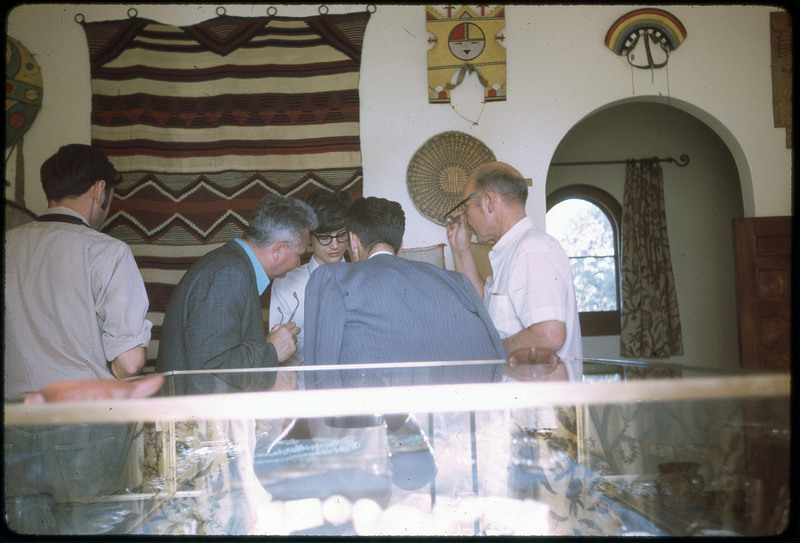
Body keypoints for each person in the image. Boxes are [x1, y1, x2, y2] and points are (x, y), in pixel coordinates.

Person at [4, 143, 153, 534]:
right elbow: (130, 363)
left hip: (12, 427)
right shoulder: (108, 253)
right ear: (100, 191)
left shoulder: (8, 245)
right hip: (85, 430)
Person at [303, 196, 507, 389]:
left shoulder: (330, 277)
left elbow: (320, 376)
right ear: (400, 246)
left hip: (371, 421)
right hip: (464, 417)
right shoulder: (457, 281)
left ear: (353, 241)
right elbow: (496, 356)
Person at [155, 193, 317, 393]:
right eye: (299, 255)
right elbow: (212, 366)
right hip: (194, 420)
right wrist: (272, 351)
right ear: (278, 250)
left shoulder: (232, 267)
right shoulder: (228, 274)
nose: (298, 263)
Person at [446, 161, 583, 380]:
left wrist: (491, 351)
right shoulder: (512, 250)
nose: (466, 216)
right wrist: (460, 249)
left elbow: (549, 335)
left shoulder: (532, 249)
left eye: (467, 206)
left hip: (538, 410)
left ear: (489, 202)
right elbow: (482, 303)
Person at [268, 189, 354, 374]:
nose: (335, 245)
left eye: (341, 235)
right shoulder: (286, 284)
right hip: (302, 385)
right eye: (324, 237)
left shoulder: (361, 278)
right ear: (308, 238)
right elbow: (278, 352)